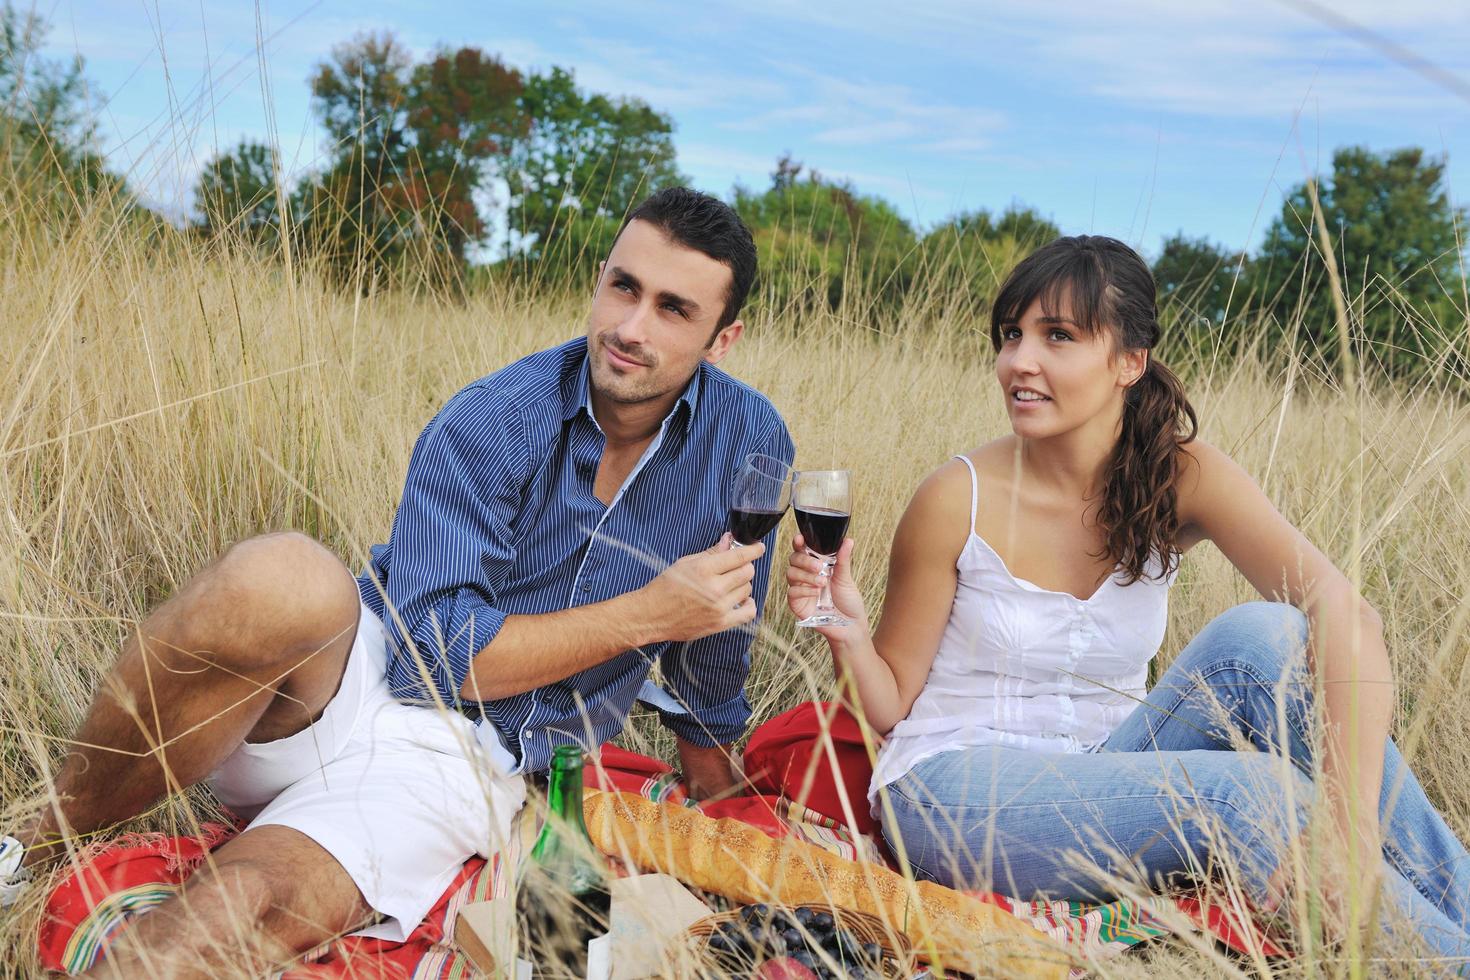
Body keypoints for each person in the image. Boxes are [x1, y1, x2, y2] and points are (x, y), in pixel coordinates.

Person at [1, 187, 795, 978]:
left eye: (672, 309)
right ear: (598, 279)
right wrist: (648, 616)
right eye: (623, 287)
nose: (630, 328)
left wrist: (718, 798)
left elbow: (715, 635)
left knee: (226, 914)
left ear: (722, 339)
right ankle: (32, 843)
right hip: (348, 676)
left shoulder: (748, 441)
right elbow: (437, 655)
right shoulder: (496, 415)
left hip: (464, 762)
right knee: (283, 574)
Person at [785, 235, 1469, 967]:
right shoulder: (956, 497)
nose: (1020, 360)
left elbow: (1345, 612)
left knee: (1269, 636)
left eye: (1059, 337)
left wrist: (1350, 826)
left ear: (1129, 362)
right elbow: (888, 707)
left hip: (1114, 763)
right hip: (957, 792)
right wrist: (847, 633)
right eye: (1012, 334)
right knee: (1250, 795)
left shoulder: (1181, 475)